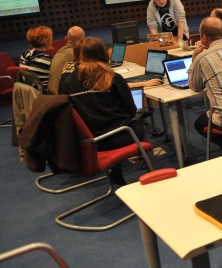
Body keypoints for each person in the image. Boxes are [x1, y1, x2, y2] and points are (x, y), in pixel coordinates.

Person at [59, 38, 148, 185]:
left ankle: (115, 169)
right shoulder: (114, 78)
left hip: (88, 140)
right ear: (105, 54)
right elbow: (131, 110)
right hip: (120, 134)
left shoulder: (69, 81)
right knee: (141, 128)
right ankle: (152, 172)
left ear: (81, 55)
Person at [48, 26, 84, 95]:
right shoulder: (78, 54)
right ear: (83, 41)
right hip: (61, 96)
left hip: (51, 94)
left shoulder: (59, 52)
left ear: (65, 39)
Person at [19, 26, 53, 91]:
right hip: (46, 94)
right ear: (46, 41)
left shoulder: (23, 56)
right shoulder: (48, 61)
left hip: (30, 93)